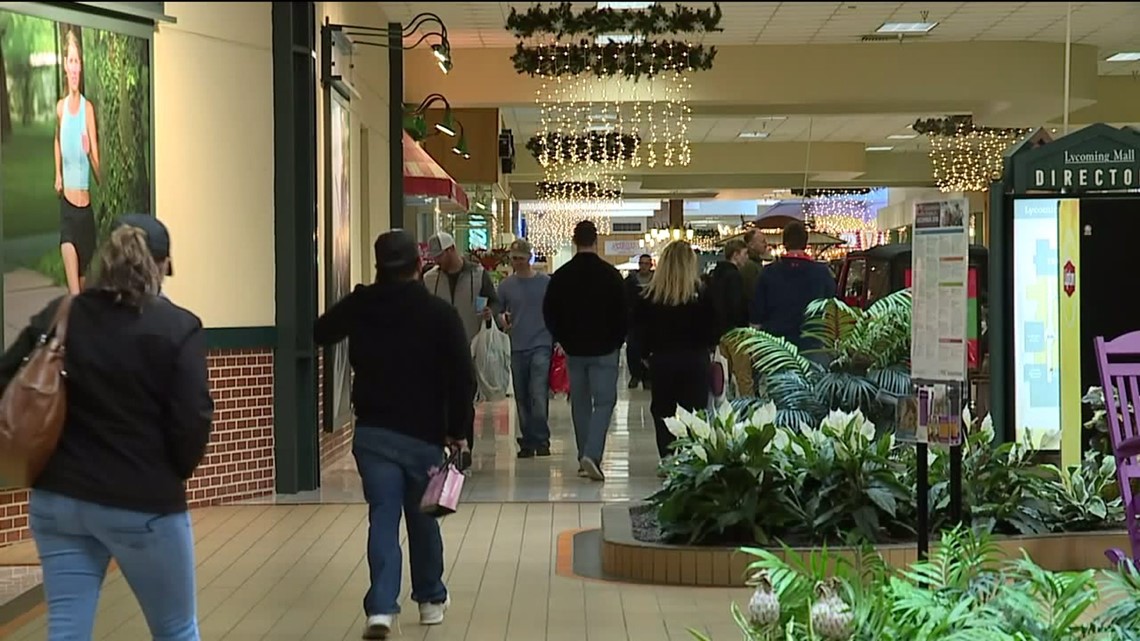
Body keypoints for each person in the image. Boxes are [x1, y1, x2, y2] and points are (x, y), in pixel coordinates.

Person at [0, 216, 212, 641]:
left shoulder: (59, 315)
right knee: (176, 630)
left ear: (102, 261)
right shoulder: (177, 327)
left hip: (58, 501)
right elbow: (193, 421)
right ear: (160, 266)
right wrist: (169, 475)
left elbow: (7, 377)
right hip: (142, 504)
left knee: (67, 630)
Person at [314, 229, 474, 639]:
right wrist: (458, 431)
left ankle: (381, 609)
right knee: (424, 520)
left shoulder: (363, 304)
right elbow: (461, 377)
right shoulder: (439, 314)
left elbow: (321, 331)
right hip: (424, 436)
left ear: (378, 264)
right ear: (420, 265)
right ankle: (431, 600)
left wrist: (359, 300)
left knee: (382, 519)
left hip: (373, 434)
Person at [543, 221, 627, 482]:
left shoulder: (561, 275)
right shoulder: (611, 275)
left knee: (579, 402)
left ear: (574, 240)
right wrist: (617, 340)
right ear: (596, 240)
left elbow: (549, 312)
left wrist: (563, 338)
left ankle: (583, 457)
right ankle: (592, 454)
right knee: (604, 402)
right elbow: (624, 313)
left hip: (574, 350)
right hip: (604, 349)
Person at [632, 240, 719, 458]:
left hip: (662, 360)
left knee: (663, 410)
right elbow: (713, 329)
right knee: (695, 411)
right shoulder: (702, 294)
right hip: (695, 360)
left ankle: (667, 456)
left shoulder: (650, 296)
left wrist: (644, 356)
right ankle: (692, 455)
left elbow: (638, 331)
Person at [422, 231, 497, 462]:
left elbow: (492, 300)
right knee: (440, 398)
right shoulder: (428, 278)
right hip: (437, 348)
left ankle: (465, 448)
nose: (436, 262)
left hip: (470, 343)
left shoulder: (478, 274)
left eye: (440, 256)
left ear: (452, 250)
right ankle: (447, 448)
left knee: (464, 399)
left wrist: (489, 312)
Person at [54, 28, 101, 295]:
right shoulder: (60, 108)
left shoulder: (88, 109)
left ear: (81, 68)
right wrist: (57, 173)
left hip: (86, 216)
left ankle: (62, 336)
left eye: (77, 62)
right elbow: (57, 140)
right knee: (74, 294)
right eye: (70, 61)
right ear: (65, 67)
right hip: (68, 213)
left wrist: (89, 153)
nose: (74, 67)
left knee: (82, 295)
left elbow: (99, 174)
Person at [497, 239, 553, 458]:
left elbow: (553, 310)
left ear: (529, 258)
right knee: (521, 396)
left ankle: (541, 438)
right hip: (517, 344)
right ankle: (528, 439)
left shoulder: (545, 283)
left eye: (520, 258)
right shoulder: (506, 286)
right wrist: (502, 319)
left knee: (538, 393)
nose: (517, 263)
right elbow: (498, 310)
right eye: (514, 259)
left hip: (541, 343)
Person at [750, 221, 837, 352]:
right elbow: (833, 310)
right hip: (812, 345)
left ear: (784, 243)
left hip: (775, 347)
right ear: (805, 243)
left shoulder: (768, 273)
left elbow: (756, 318)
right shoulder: (822, 273)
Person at [705, 239, 754, 396]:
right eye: (744, 254)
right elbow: (736, 305)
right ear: (735, 255)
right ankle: (749, 409)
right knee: (743, 376)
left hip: (719, 332)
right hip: (736, 332)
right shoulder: (734, 276)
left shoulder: (715, 275)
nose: (747, 258)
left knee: (724, 375)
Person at [623, 254, 654, 389]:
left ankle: (647, 376)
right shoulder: (630, 281)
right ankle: (635, 375)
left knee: (650, 349)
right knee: (633, 349)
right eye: (642, 263)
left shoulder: (657, 281)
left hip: (651, 321)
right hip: (634, 321)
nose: (644, 266)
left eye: (646, 264)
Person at [739, 228, 768, 312]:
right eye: (762, 241)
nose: (766, 244)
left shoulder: (753, 263)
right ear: (751, 245)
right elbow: (754, 294)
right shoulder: (750, 266)